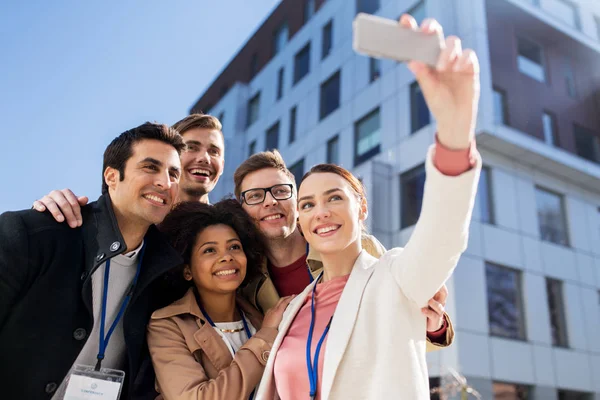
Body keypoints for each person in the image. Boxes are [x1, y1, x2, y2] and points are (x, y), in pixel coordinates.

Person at [32, 120, 453, 345]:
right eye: (189, 149)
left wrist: (432, 323)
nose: (268, 202)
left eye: (214, 150)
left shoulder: (347, 246)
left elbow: (419, 323)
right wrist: (59, 205)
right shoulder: (235, 263)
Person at [255, 14, 481, 400]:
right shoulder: (293, 308)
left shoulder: (394, 276)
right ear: (300, 222)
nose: (320, 211)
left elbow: (442, 238)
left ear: (361, 209)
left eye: (334, 198)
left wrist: (455, 134)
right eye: (307, 204)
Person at [0, 122, 186, 399]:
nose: (165, 182)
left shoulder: (166, 276)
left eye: (173, 173)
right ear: (112, 176)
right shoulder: (33, 234)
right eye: (150, 167)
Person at [148, 200, 293, 400]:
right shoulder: (168, 325)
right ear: (187, 269)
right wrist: (264, 338)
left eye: (234, 247)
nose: (226, 257)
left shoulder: (260, 317)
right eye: (209, 250)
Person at [31, 113, 224, 228]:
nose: (204, 158)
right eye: (192, 147)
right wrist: (49, 214)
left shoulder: (231, 228)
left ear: (222, 165)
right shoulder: (134, 219)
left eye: (214, 151)